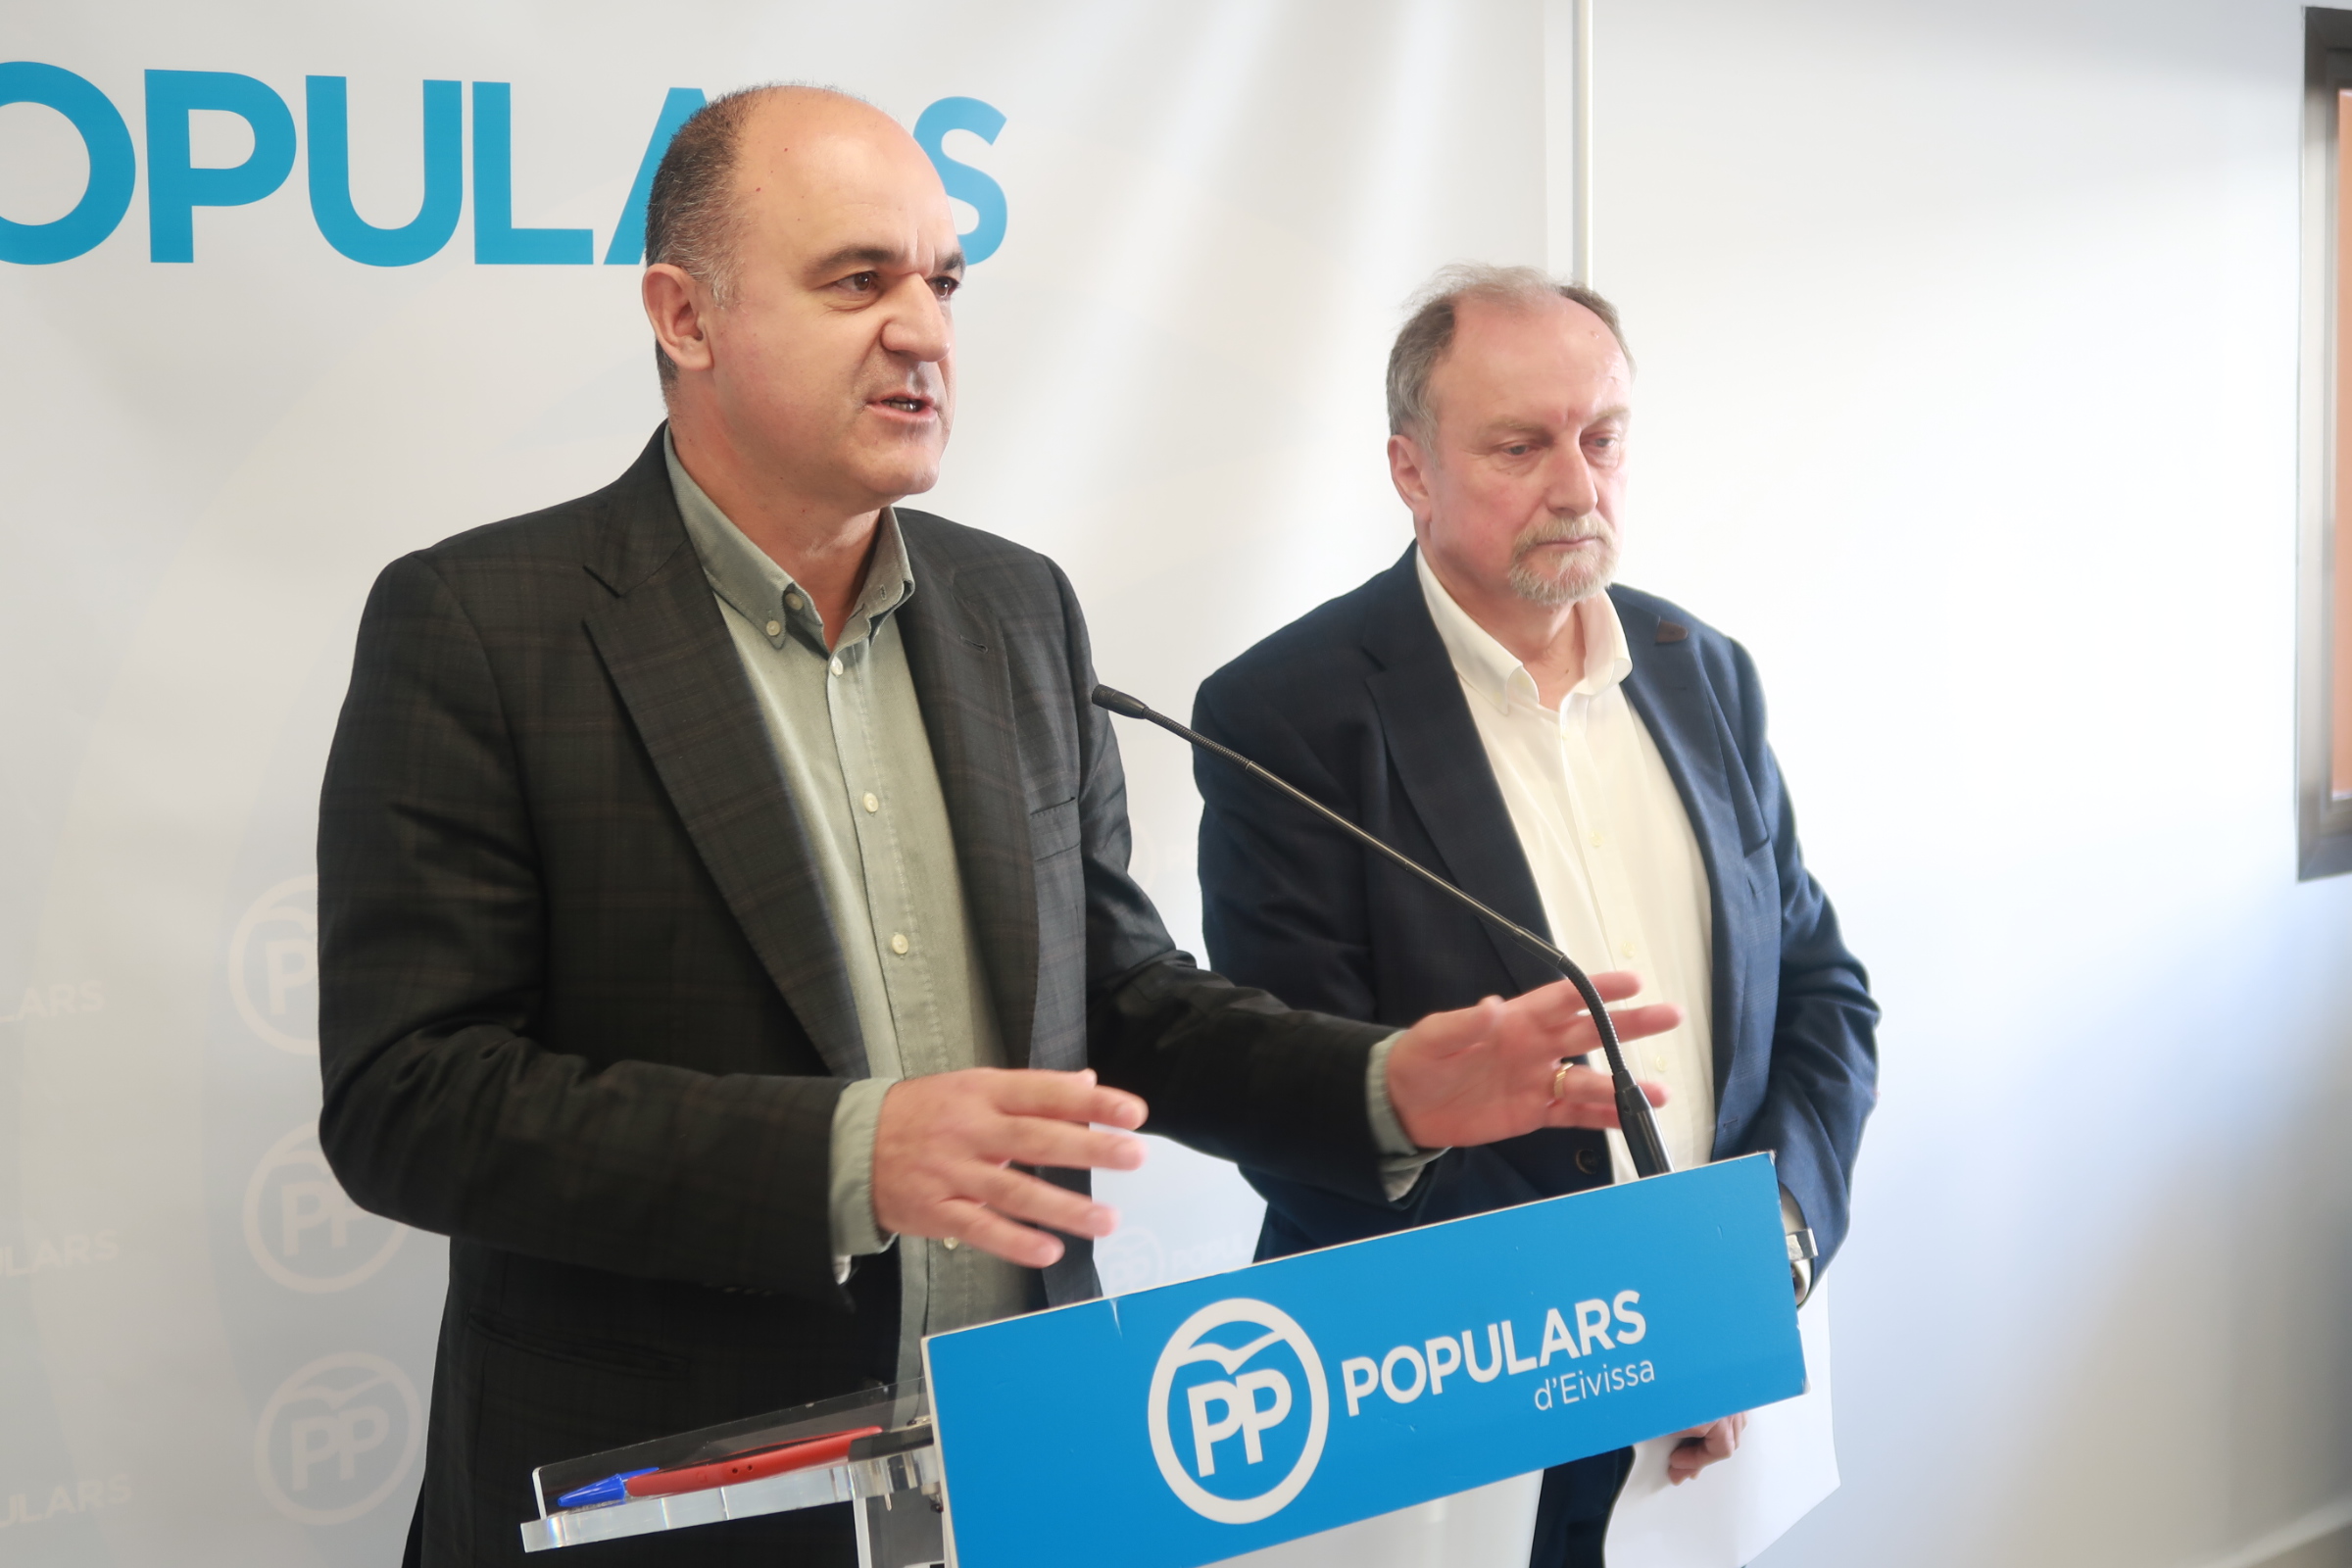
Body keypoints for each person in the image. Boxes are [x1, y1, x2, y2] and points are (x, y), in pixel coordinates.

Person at [316, 96, 1683, 1567]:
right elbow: (409, 1100)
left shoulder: (1015, 609)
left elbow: (1123, 1004)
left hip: (1023, 1484)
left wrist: (1384, 1086)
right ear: (684, 316)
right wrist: (849, 1153)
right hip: (664, 1504)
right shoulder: (484, 625)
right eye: (858, 281)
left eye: (943, 283)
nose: (923, 331)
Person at [1192, 264, 1881, 1567]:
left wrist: (1763, 1265)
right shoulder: (1287, 714)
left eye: (1602, 438)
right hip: (1452, 1403)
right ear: (1411, 469)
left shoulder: (1702, 672)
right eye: (1520, 447)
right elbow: (1296, 1102)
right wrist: (1614, 1335)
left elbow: (1821, 998)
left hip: (1714, 1394)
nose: (1576, 487)